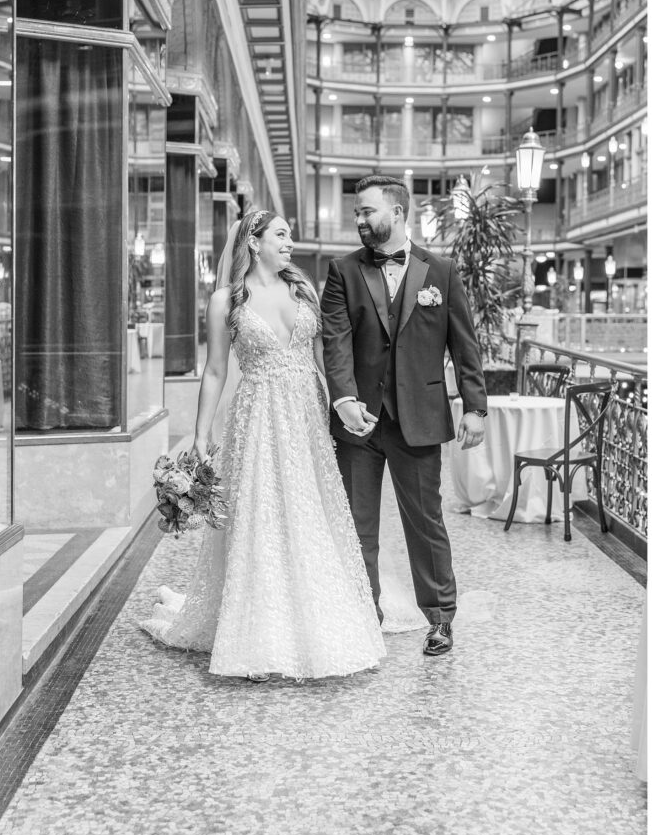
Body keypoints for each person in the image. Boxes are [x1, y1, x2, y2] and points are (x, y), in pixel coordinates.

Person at [141, 209, 386, 681]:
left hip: (305, 418)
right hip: (256, 416)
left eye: (290, 235)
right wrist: (199, 432)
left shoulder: (304, 291)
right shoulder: (225, 300)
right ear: (254, 242)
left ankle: (316, 613)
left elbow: (324, 360)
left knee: (308, 510)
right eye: (281, 234)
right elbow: (214, 370)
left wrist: (343, 405)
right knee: (261, 513)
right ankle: (259, 627)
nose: (289, 242)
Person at [320, 175, 487, 657]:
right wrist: (344, 399)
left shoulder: (442, 270)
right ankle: (362, 615)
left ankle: (439, 618)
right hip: (359, 423)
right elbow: (336, 341)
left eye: (367, 211)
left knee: (425, 520)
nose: (359, 220)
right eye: (356, 213)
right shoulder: (343, 271)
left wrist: (475, 407)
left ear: (397, 211)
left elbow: (464, 344)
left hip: (420, 416)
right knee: (358, 524)